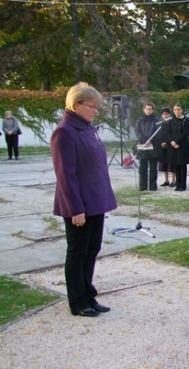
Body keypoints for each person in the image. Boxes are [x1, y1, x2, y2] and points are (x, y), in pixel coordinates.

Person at [50, 82, 117, 317]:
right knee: (78, 251)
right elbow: (65, 175)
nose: (95, 110)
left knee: (92, 249)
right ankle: (78, 301)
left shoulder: (88, 128)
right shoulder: (65, 132)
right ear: (76, 105)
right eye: (92, 106)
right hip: (79, 204)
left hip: (96, 200)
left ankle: (89, 295)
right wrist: (75, 208)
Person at [165, 103, 189, 192]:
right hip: (173, 146)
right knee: (176, 165)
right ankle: (177, 184)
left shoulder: (186, 120)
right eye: (175, 110)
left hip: (182, 145)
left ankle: (182, 185)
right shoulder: (171, 120)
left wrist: (176, 141)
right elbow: (168, 133)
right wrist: (172, 142)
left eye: (178, 110)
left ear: (182, 110)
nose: (177, 111)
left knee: (182, 166)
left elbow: (185, 133)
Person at [135, 102, 160, 191]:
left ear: (153, 110)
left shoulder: (157, 120)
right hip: (143, 145)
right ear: (143, 109)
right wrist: (144, 140)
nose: (148, 111)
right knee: (143, 167)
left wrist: (151, 140)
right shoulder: (139, 120)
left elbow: (158, 132)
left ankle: (153, 186)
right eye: (147, 109)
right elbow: (137, 131)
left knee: (153, 168)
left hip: (153, 146)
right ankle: (143, 186)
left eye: (150, 109)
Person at [157, 107, 176, 188]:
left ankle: (173, 181)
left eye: (167, 114)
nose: (165, 115)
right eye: (164, 114)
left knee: (172, 164)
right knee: (163, 164)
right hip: (162, 146)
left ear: (170, 114)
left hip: (170, 145)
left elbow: (173, 135)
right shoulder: (160, 124)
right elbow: (158, 135)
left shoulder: (173, 123)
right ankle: (166, 180)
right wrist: (161, 143)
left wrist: (167, 142)